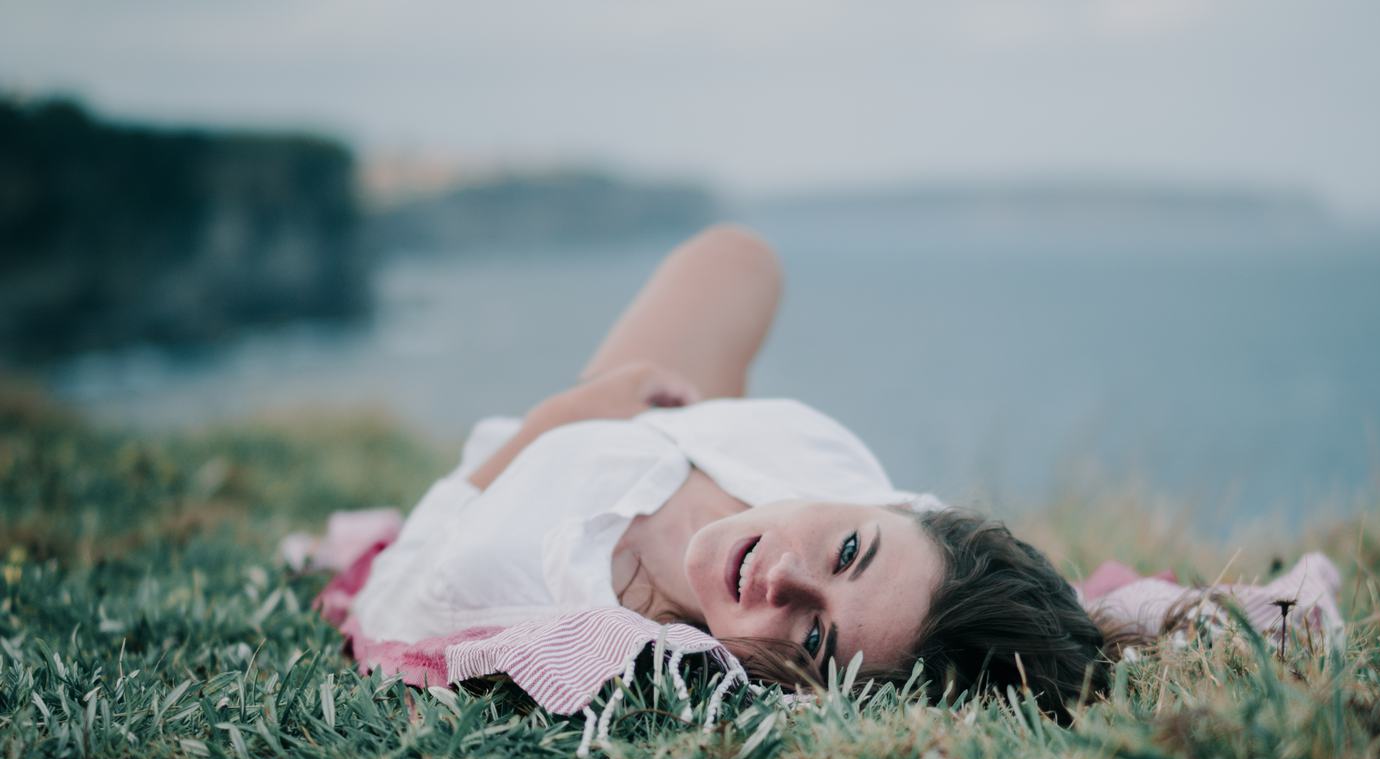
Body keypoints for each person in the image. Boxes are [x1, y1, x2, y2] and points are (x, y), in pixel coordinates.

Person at [350, 225, 1155, 717]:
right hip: (697, 422)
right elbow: (953, 576)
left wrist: (572, 411)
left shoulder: (556, 589)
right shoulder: (884, 521)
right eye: (847, 552)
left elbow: (403, 583)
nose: (782, 579)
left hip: (577, 434)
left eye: (811, 636)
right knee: (738, 260)